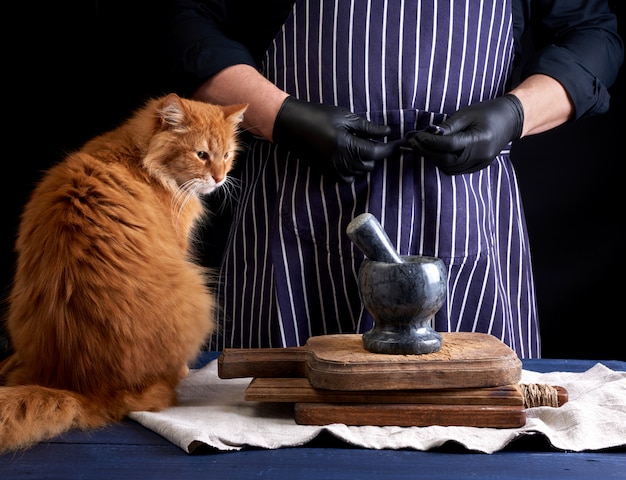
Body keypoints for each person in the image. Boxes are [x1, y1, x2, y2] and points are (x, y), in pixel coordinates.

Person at [166, 0, 623, 358]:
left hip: (463, 215)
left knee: (474, 440)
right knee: (278, 432)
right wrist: (282, 117)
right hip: (297, 214)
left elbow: (594, 36)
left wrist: (513, 115)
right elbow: (182, 18)